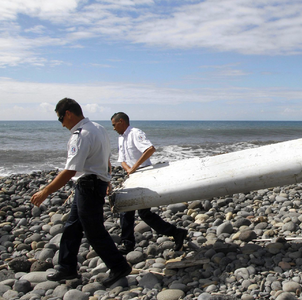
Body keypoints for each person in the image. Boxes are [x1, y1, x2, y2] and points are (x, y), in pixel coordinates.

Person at [30, 98, 131, 287]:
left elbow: (70, 171)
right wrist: (106, 178)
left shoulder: (81, 134)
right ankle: (66, 267)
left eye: (61, 119)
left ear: (68, 113)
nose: (62, 124)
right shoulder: (98, 128)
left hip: (88, 185)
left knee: (94, 231)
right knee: (72, 226)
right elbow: (105, 157)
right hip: (92, 183)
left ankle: (119, 265)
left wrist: (46, 191)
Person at [111, 112, 188, 254]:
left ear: (121, 121)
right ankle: (128, 243)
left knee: (142, 212)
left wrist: (134, 168)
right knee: (129, 210)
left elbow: (150, 149)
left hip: (144, 174)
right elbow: (122, 159)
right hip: (133, 176)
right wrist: (129, 169)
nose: (113, 128)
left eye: (114, 125)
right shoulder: (121, 138)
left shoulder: (135, 133)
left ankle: (176, 233)